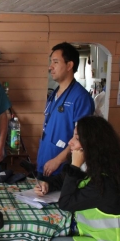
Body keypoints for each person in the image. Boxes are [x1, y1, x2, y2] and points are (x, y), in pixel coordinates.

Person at [37, 42, 95, 180]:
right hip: (44, 164)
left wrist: (58, 160)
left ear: (69, 65)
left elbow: (82, 138)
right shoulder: (54, 94)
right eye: (51, 62)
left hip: (62, 171)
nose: (50, 67)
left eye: (56, 62)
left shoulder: (81, 98)